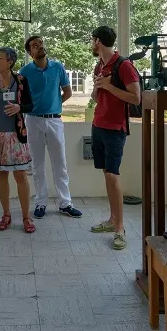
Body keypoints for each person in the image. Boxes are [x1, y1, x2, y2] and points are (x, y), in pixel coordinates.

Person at [88, 25, 140, 250]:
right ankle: (111, 220)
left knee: (112, 175)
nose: (91, 44)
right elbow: (96, 97)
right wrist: (98, 87)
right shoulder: (100, 65)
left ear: (98, 41)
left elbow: (136, 99)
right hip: (98, 125)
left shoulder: (124, 65)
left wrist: (109, 86)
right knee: (107, 175)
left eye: (92, 40)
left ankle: (120, 229)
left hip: (115, 128)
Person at [20, 35, 82, 219]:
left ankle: (65, 203)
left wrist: (55, 105)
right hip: (32, 120)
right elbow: (21, 98)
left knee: (60, 163)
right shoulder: (25, 71)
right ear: (30, 53)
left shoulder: (57, 67)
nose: (39, 46)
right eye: (34, 45)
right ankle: (40, 202)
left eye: (41, 43)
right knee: (37, 164)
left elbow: (68, 92)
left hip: (54, 120)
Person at [0, 47, 37, 233]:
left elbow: (29, 105)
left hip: (15, 135)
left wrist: (19, 107)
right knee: (1, 175)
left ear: (10, 62)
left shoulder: (21, 81)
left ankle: (26, 217)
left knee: (20, 176)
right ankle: (6, 215)